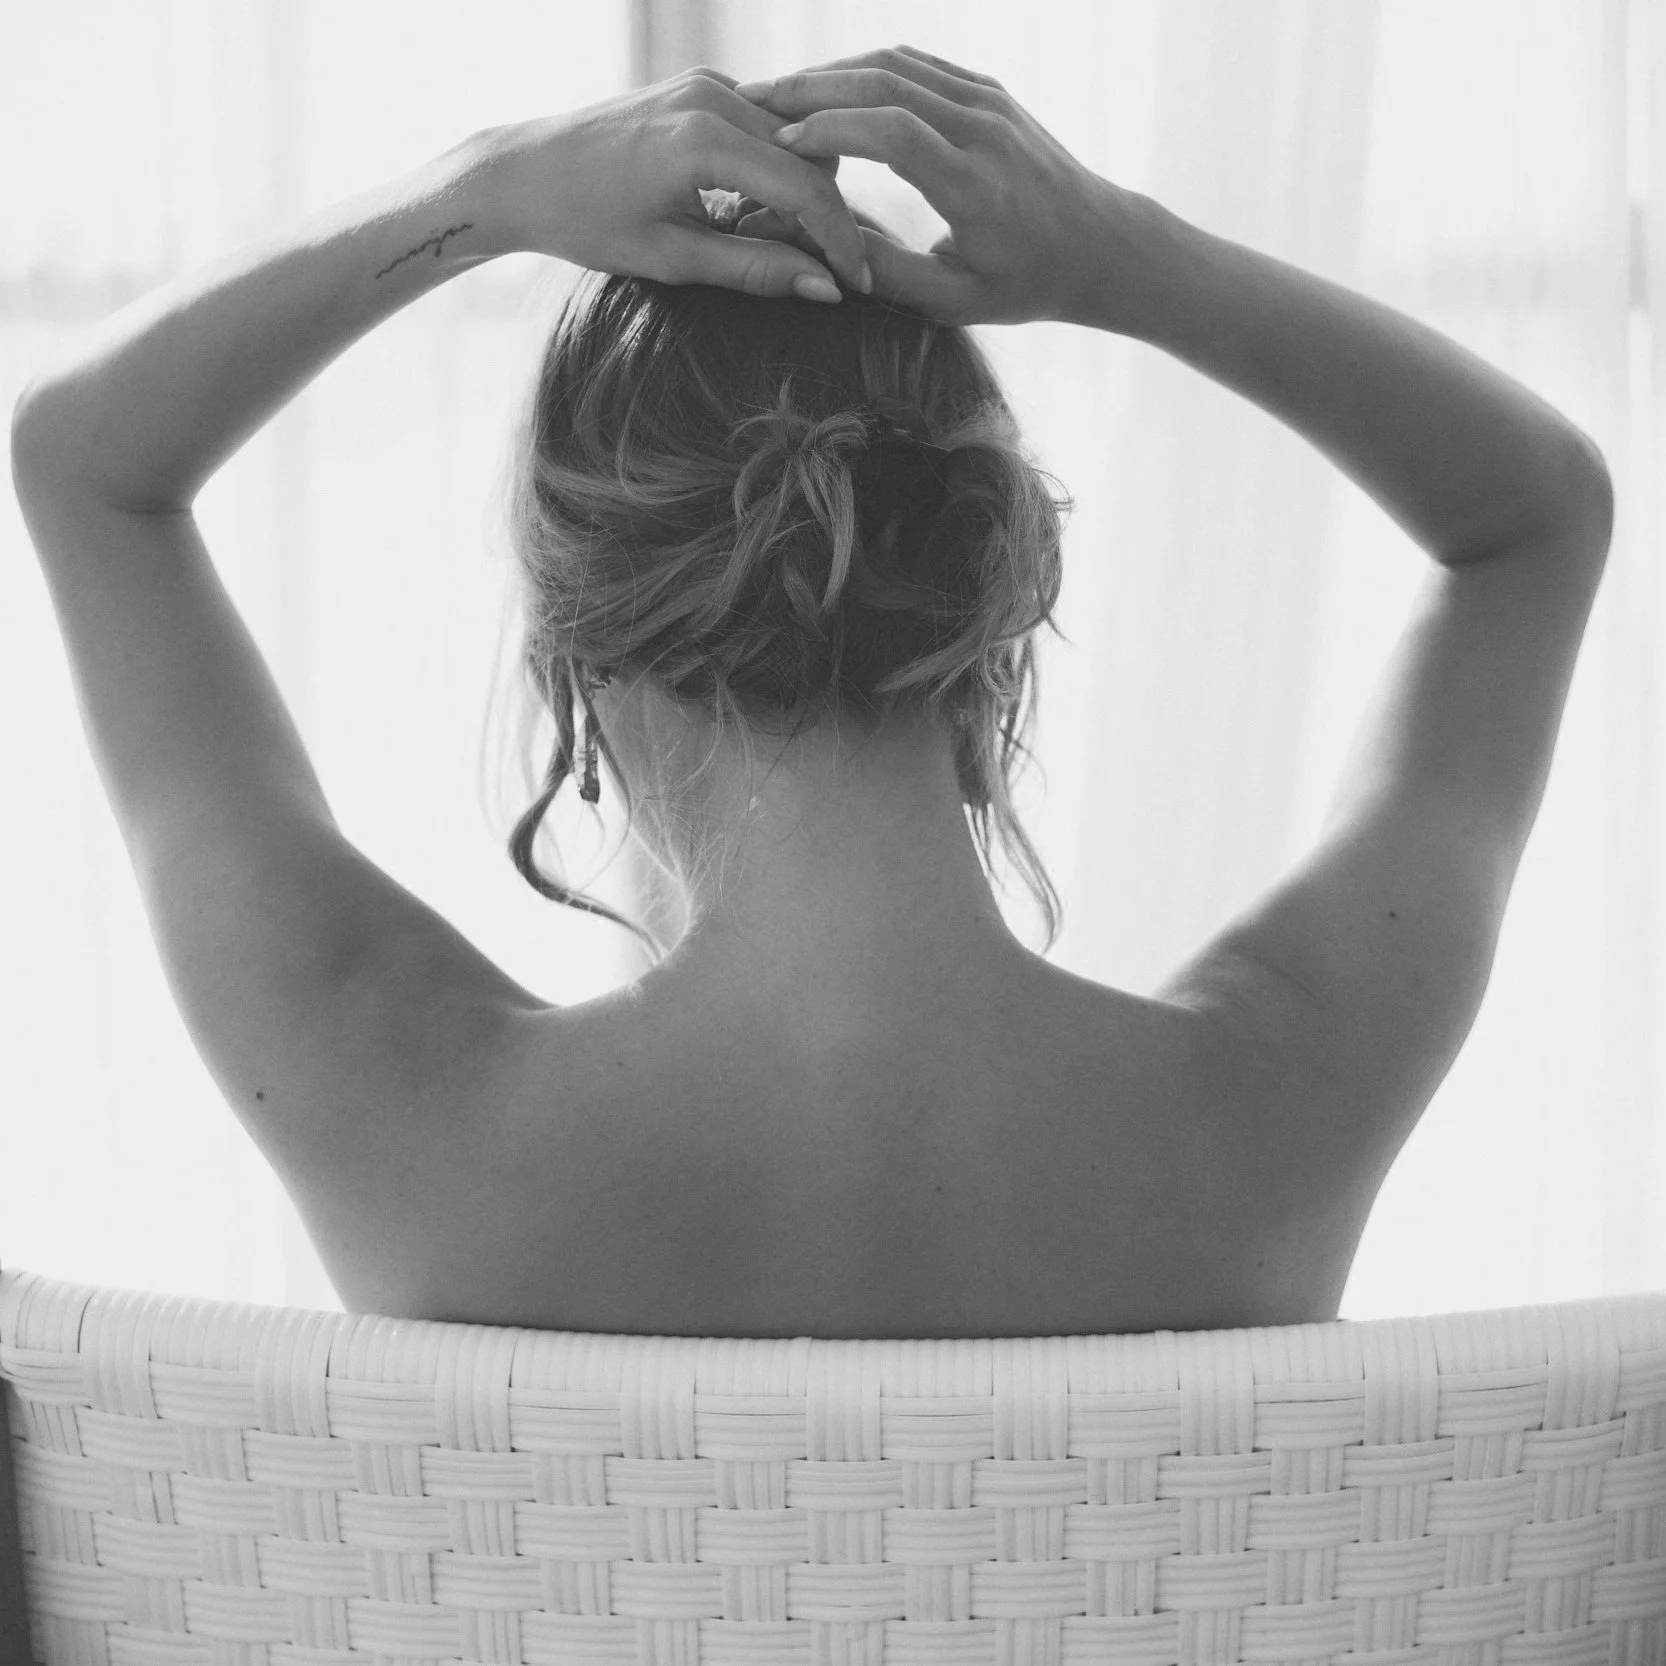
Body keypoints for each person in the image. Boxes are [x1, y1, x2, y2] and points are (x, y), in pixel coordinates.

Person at [10, 45, 1612, 1341]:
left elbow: (82, 461)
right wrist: (1119, 251)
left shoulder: (397, 1096)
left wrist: (483, 189)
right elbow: (1532, 520)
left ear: (576, 659)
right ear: (1000, 601)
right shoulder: (1269, 1107)